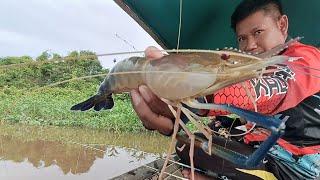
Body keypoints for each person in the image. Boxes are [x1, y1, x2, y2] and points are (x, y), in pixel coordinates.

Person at [130, 0, 320, 179]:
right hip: (259, 145)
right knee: (189, 144)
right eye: (242, 38)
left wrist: (199, 95)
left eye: (258, 32)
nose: (250, 46)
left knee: (193, 149)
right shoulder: (254, 68)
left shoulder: (306, 57)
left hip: (297, 167)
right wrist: (176, 113)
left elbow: (272, 88)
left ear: (282, 25)